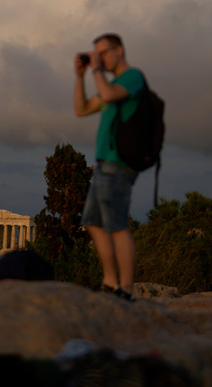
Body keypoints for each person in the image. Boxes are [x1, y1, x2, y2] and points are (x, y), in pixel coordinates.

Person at [73, 33, 145, 302]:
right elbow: (81, 110)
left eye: (104, 52)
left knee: (116, 224)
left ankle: (126, 289)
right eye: (96, 53)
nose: (100, 57)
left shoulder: (132, 78)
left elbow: (107, 93)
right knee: (92, 222)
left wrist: (96, 70)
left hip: (120, 163)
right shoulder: (109, 84)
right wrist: (80, 76)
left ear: (120, 50)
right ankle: (109, 282)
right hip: (104, 163)